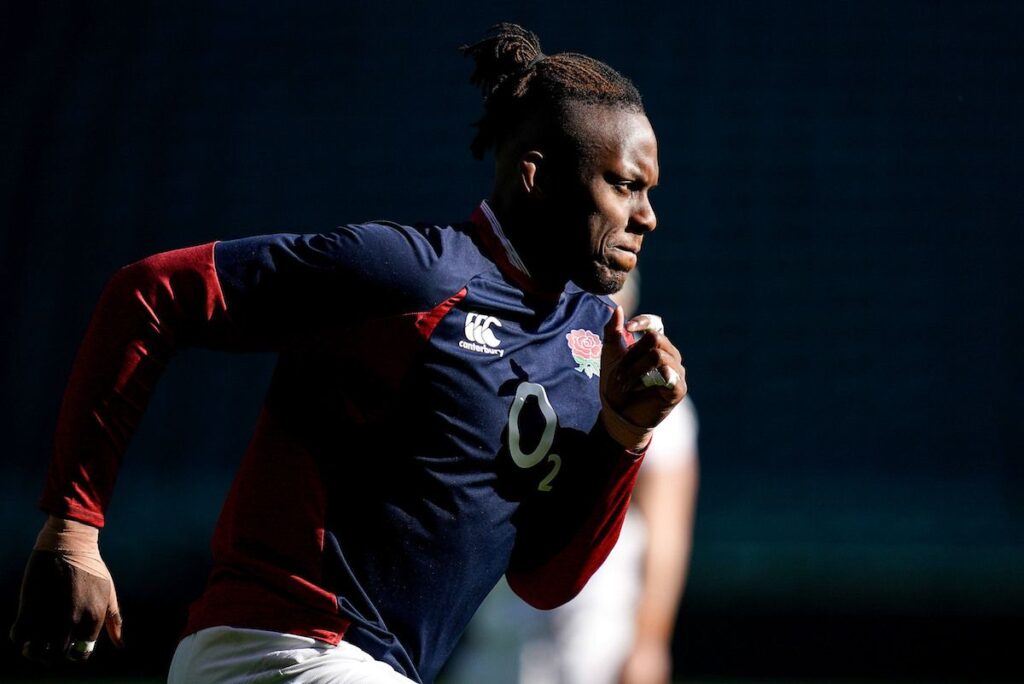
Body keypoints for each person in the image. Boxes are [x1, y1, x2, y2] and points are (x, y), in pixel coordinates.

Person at [9, 23, 686, 684]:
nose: (647, 215)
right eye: (624, 185)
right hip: (281, 650)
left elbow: (543, 580)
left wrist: (623, 434)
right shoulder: (412, 275)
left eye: (650, 191)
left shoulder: (587, 345)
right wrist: (73, 527)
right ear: (536, 177)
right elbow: (151, 293)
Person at [446, 272, 698, 684]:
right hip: (499, 623)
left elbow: (666, 535)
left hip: (595, 631)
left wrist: (649, 641)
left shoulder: (653, 400)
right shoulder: (512, 377)